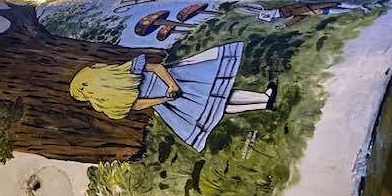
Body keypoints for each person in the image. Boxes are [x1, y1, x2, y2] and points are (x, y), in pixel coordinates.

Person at [69, 43, 276, 154]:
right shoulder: (124, 72)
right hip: (179, 84)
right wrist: (172, 85)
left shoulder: (114, 99)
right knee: (220, 94)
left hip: (171, 99)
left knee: (217, 104)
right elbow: (157, 68)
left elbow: (140, 104)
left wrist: (164, 98)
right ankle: (263, 100)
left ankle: (264, 102)